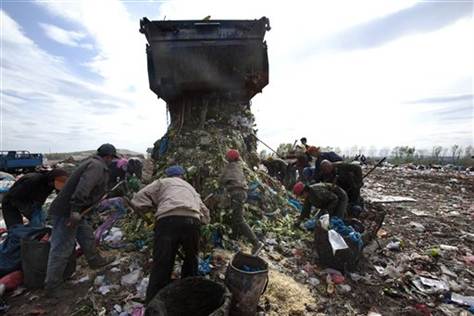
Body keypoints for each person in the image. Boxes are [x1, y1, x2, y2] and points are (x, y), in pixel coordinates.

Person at [128, 165, 210, 304]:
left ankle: (153, 302)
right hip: (192, 221)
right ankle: (188, 297)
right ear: (182, 176)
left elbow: (138, 199)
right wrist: (201, 220)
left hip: (168, 221)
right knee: (191, 259)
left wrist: (151, 207)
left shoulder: (162, 182)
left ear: (167, 175)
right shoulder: (190, 188)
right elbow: (205, 214)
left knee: (162, 262)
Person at [44, 144, 118, 297]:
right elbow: (84, 188)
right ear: (109, 157)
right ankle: (52, 287)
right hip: (68, 212)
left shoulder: (92, 163)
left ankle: (95, 260)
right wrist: (75, 211)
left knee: (86, 236)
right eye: (112, 158)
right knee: (62, 248)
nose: (111, 161)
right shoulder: (96, 166)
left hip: (77, 211)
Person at [220, 149, 262, 254]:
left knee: (239, 219)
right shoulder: (239, 166)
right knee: (235, 216)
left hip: (237, 194)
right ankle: (234, 237)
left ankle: (256, 243)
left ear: (229, 158)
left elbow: (221, 180)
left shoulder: (229, 167)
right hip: (241, 193)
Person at [1, 169, 68, 229]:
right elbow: (14, 196)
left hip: (32, 202)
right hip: (11, 202)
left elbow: (61, 196)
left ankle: (34, 239)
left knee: (40, 223)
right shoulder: (33, 180)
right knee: (15, 228)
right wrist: (28, 210)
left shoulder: (50, 184)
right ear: (52, 180)